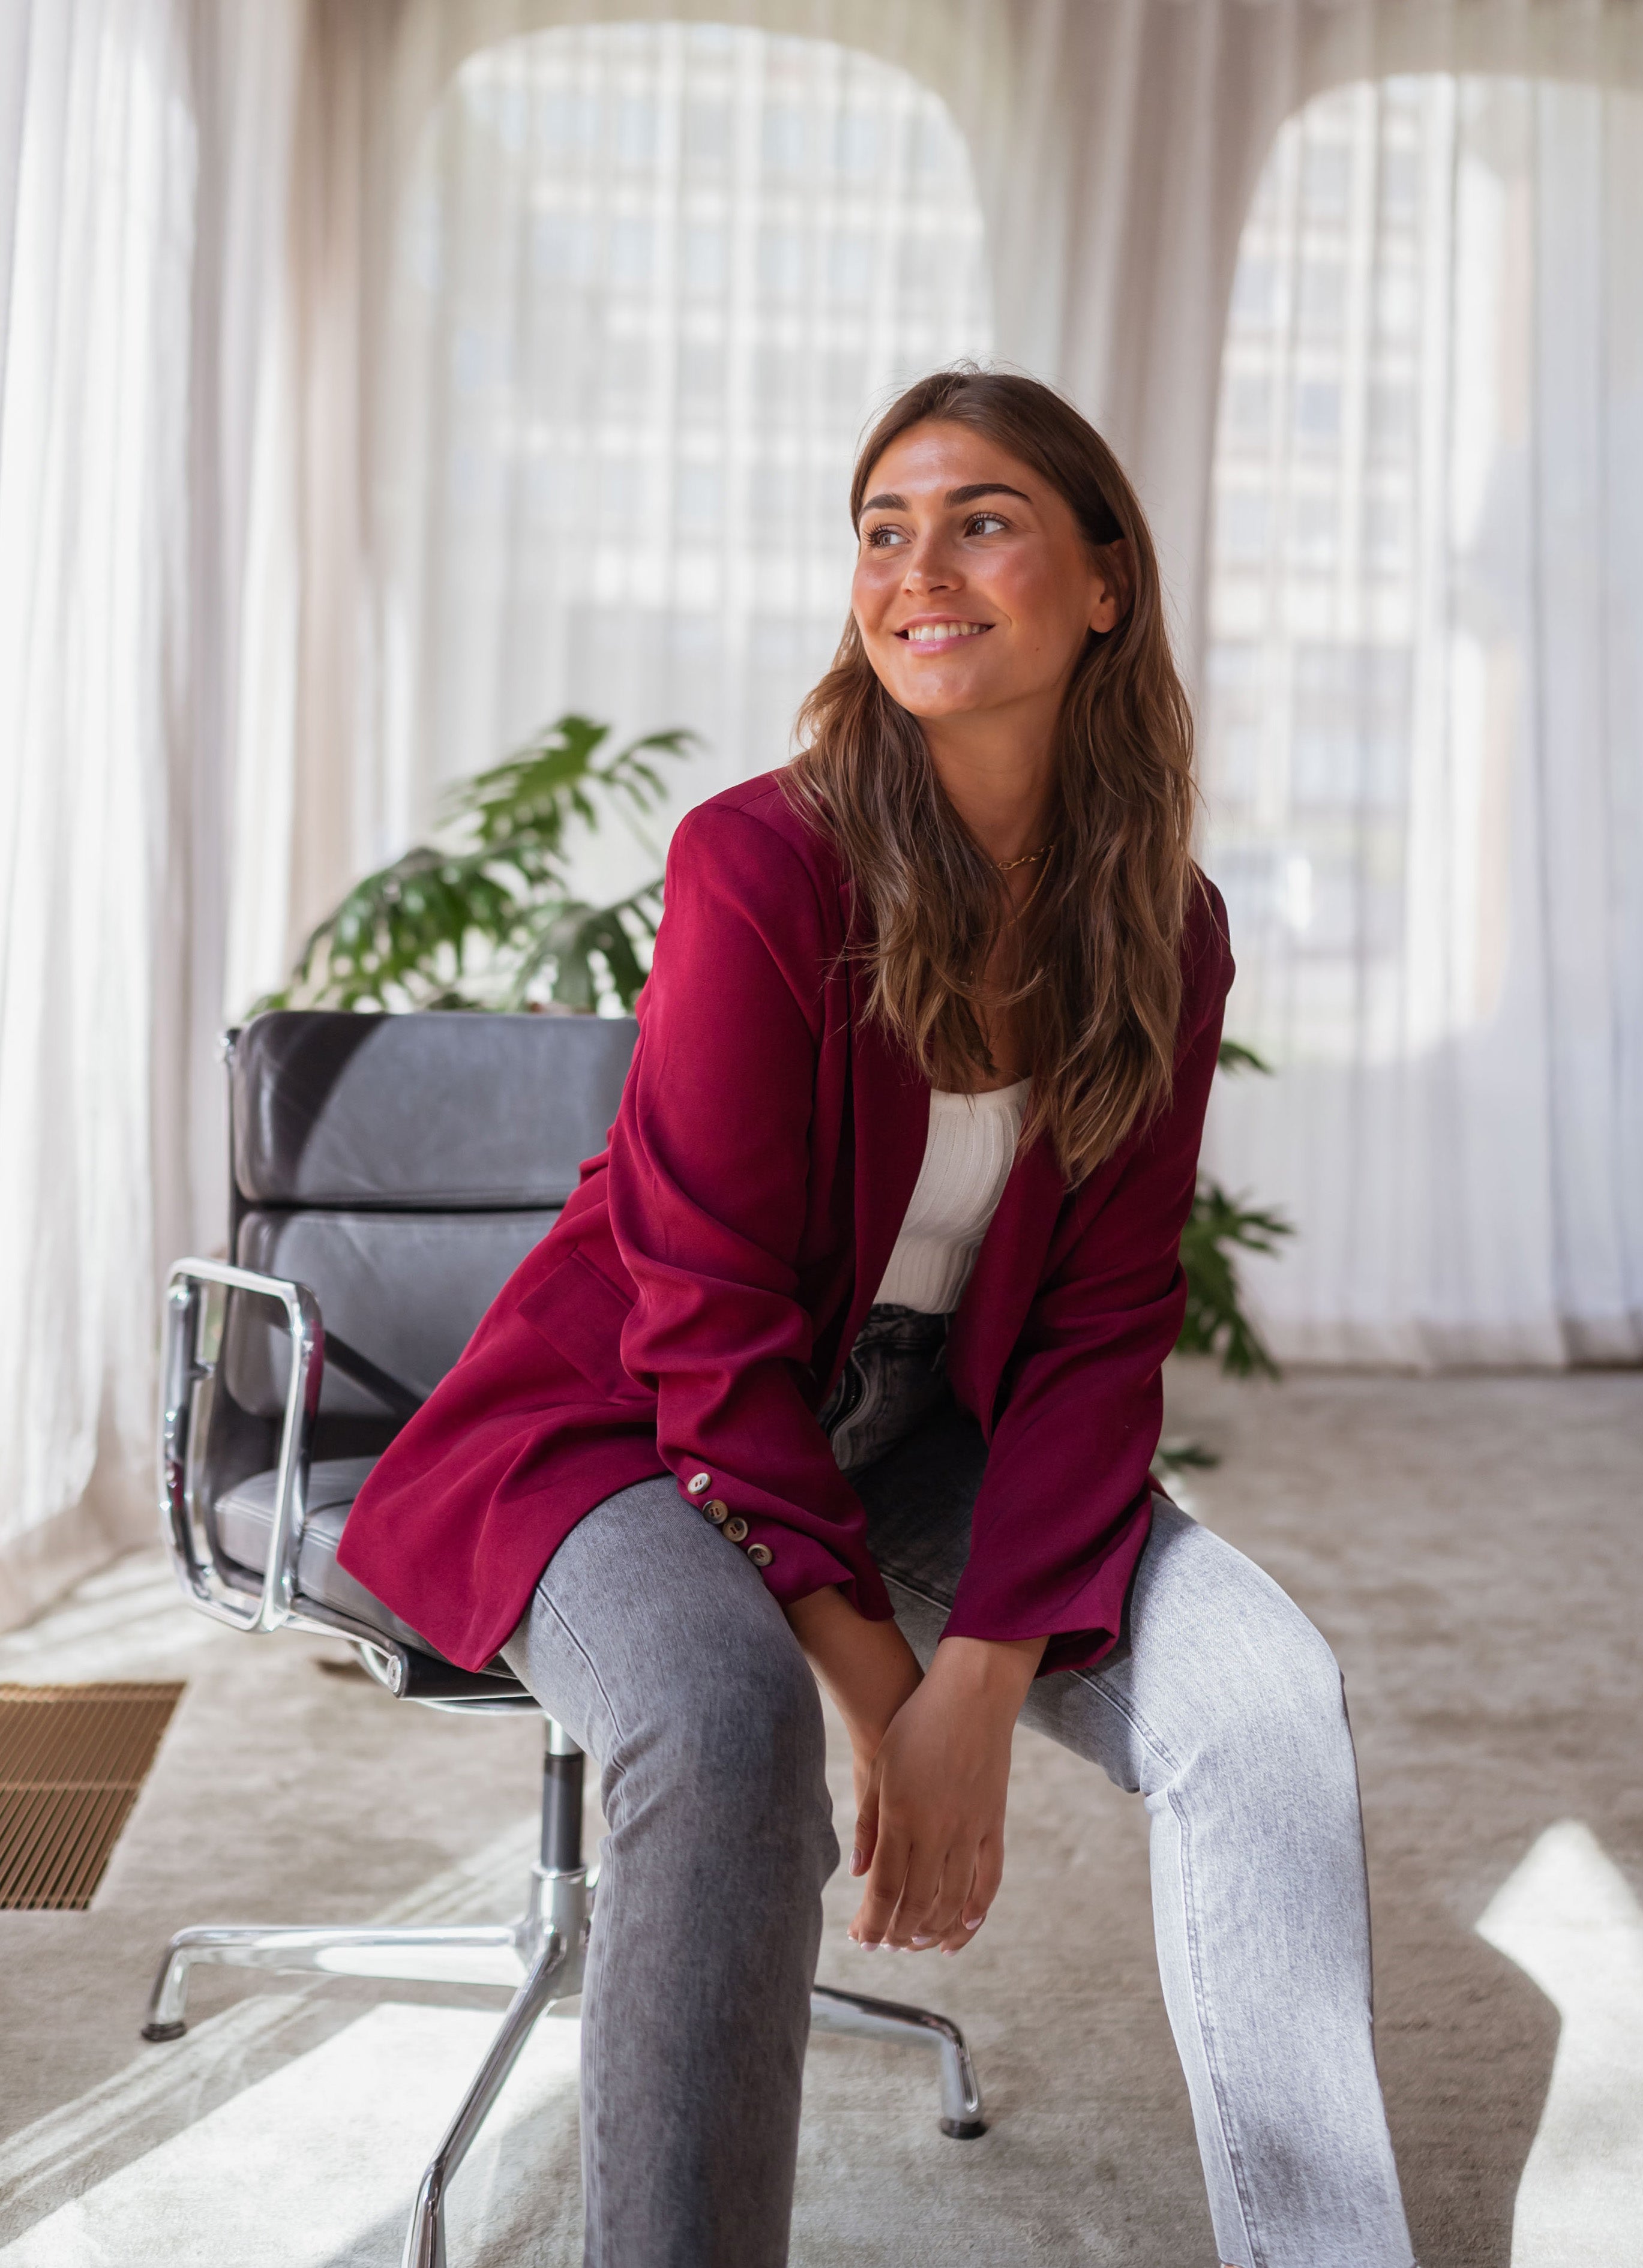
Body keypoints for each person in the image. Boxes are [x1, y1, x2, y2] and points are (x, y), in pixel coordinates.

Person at [339, 368, 1414, 2268]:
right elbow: (703, 1323)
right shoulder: (762, 861)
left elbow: (1097, 1328)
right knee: (722, 1720)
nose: (918, 566)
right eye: (882, 528)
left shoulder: (1163, 919)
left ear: (1102, 583)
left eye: (981, 517)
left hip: (916, 1431)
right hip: (629, 1423)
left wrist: (981, 1687)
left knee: (1264, 1708)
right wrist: (883, 1703)